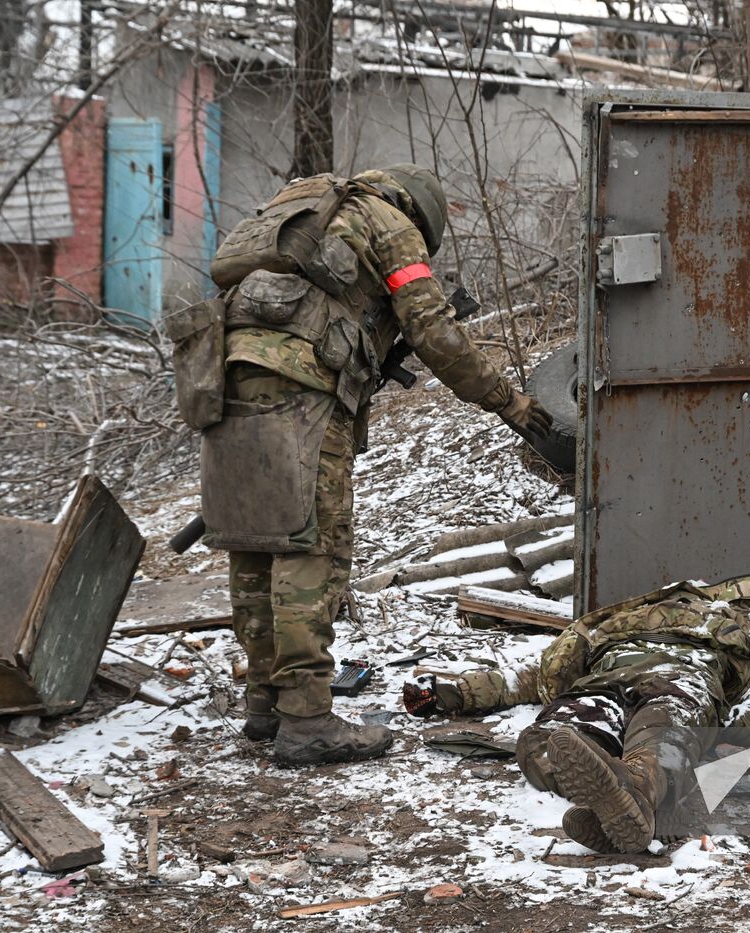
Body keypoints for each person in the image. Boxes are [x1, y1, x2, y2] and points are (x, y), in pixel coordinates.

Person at [193, 165, 551, 766]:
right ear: (424, 215)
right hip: (304, 394)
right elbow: (433, 330)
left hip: (223, 377)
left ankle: (264, 704)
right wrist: (507, 402)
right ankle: (306, 720)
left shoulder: (304, 207)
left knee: (253, 540)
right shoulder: (391, 225)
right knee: (310, 547)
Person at [401, 576, 750, 852]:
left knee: (552, 736)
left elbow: (532, 675)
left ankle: (615, 794)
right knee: (655, 743)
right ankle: (625, 799)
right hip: (680, 681)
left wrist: (455, 693)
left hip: (616, 679)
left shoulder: (639, 613)